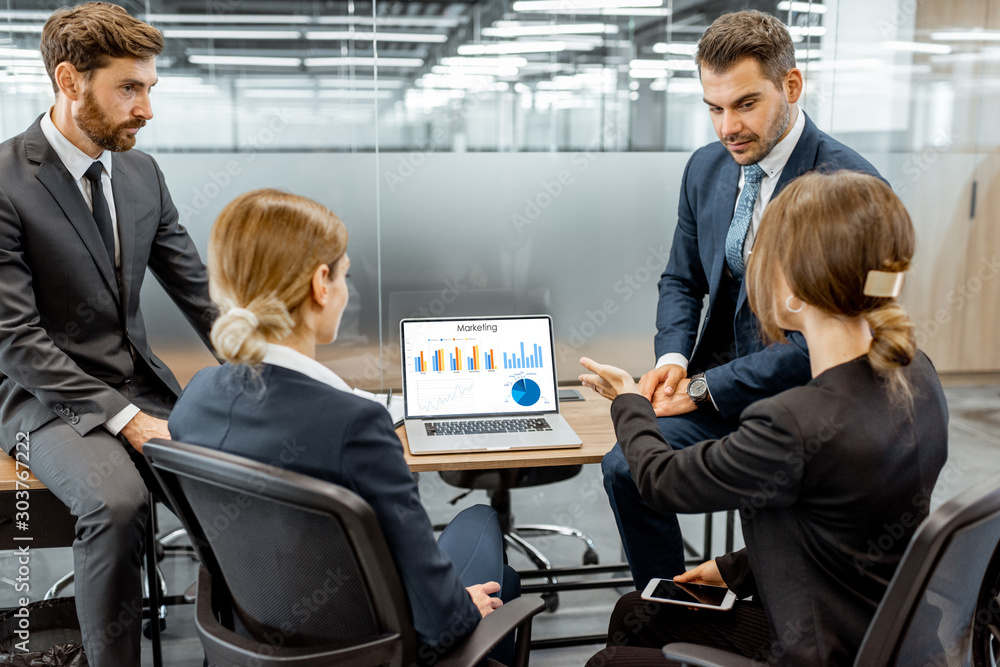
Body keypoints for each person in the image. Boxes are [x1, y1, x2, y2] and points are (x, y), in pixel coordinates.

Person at [580, 171, 948, 666]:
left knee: (609, 662)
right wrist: (735, 569)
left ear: (792, 292)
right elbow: (855, 524)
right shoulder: (917, 374)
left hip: (816, 650)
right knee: (636, 613)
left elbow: (662, 480)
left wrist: (630, 401)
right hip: (882, 636)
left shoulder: (794, 422)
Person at [168, 189, 520, 665]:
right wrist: (462, 610)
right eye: (346, 274)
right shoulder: (356, 425)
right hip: (377, 651)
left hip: (261, 637)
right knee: (483, 530)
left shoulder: (196, 401)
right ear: (321, 284)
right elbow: (442, 625)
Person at [602, 9, 886, 589]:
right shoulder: (706, 169)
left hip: (804, 401)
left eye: (745, 104)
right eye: (713, 107)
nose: (727, 126)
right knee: (627, 470)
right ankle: (670, 608)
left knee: (778, 503)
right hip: (711, 387)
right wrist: (672, 364)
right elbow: (681, 280)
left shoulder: (849, 187)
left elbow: (833, 336)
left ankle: (766, 597)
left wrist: (705, 389)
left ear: (791, 85)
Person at [0, 4, 216, 665]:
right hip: (42, 396)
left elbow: (200, 294)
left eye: (149, 88)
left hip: (138, 382)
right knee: (117, 504)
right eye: (129, 88)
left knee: (244, 482)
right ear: (70, 81)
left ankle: (240, 645)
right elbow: (16, 338)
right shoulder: (7, 181)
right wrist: (126, 419)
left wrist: (280, 365)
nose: (146, 108)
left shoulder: (142, 174)